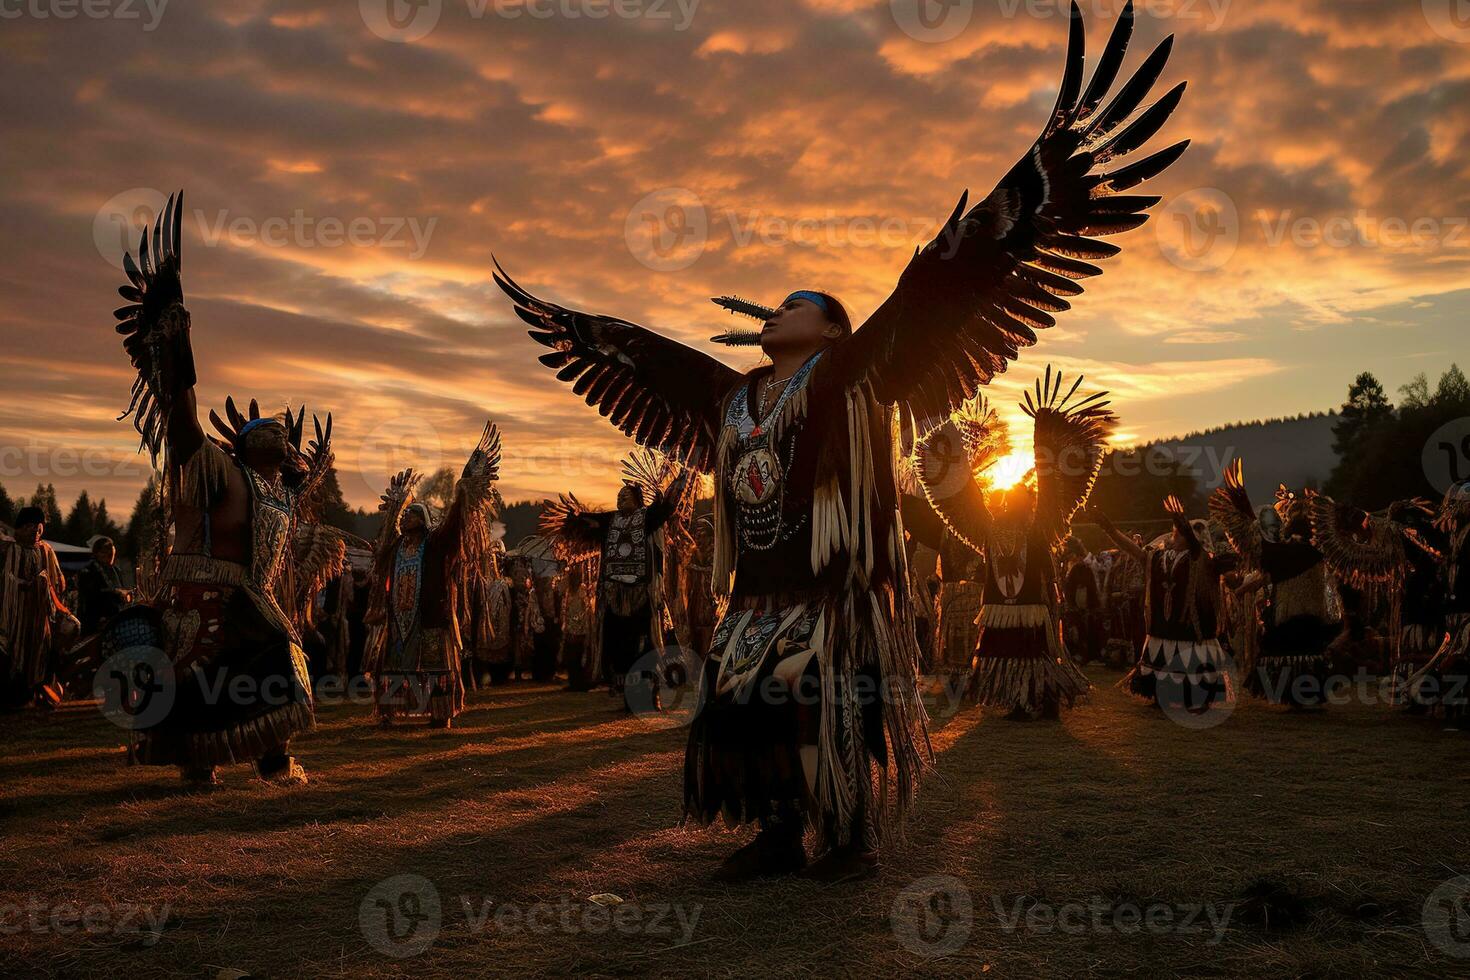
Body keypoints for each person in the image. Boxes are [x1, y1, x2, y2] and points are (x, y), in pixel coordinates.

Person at [496, 0, 1185, 879]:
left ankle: (850, 835)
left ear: (828, 332)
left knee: (830, 701)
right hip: (757, 586)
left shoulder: (860, 373)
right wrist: (588, 331)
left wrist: (1049, 175)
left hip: (833, 583)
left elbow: (977, 258)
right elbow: (624, 358)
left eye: (796, 306)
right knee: (746, 704)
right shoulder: (730, 394)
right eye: (778, 304)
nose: (775, 310)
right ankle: (779, 831)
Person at [107, 192, 332, 786]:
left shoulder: (274, 492)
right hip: (202, 596)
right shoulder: (213, 470)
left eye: (286, 435)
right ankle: (203, 768)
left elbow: (305, 477)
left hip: (246, 596)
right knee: (208, 679)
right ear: (246, 443)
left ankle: (271, 759)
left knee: (270, 663)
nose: (283, 435)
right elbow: (180, 425)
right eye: (271, 430)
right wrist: (171, 337)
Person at [916, 375, 1113, 721]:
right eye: (1004, 498)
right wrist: (947, 444)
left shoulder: (1041, 527)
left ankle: (1045, 699)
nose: (1005, 501)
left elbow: (1051, 476)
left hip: (1033, 605)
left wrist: (1045, 434)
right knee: (1003, 652)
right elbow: (959, 491)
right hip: (997, 606)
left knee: (1033, 652)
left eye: (1011, 498)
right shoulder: (987, 529)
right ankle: (1018, 701)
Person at [363, 426, 502, 730]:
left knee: (435, 666)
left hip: (432, 617)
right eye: (404, 515)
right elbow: (380, 552)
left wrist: (465, 487)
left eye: (411, 513)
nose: (405, 517)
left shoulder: (437, 544)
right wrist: (393, 509)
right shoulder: (397, 546)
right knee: (396, 665)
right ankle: (392, 711)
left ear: (423, 521)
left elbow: (456, 523)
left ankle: (440, 713)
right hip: (399, 617)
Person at [540, 466, 689, 707]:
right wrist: (572, 517)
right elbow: (585, 522)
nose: (620, 498)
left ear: (637, 500)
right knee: (619, 648)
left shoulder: (647, 518)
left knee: (645, 647)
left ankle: (650, 697)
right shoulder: (610, 520)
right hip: (612, 595)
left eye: (625, 495)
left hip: (641, 596)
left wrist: (679, 482)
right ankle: (629, 698)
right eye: (618, 496)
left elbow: (666, 508)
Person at [1210, 463, 1337, 708]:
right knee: (1309, 650)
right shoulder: (1319, 550)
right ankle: (1308, 696)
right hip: (1314, 611)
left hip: (1288, 612)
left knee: (1287, 650)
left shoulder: (1281, 552)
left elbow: (1254, 538)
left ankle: (1295, 696)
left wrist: (1241, 502)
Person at [1093, 496, 1235, 713]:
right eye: (1175, 530)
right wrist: (1109, 529)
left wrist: (1181, 520)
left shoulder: (1202, 559)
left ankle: (1194, 697)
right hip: (1163, 627)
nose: (1175, 534)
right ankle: (1163, 696)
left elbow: (1196, 547)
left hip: (1190, 629)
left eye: (1180, 532)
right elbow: (1135, 551)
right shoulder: (1158, 557)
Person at [1, 507, 78, 708]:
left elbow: (58, 581)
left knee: (42, 651)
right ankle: (14, 696)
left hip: (42, 614)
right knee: (15, 650)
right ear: (19, 528)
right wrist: (25, 586)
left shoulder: (46, 550)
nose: (34, 531)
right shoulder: (11, 550)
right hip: (15, 613)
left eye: (38, 527)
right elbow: (7, 580)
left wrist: (46, 586)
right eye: (29, 526)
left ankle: (38, 691)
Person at [76, 536, 132, 639]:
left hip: (115, 619)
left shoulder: (115, 571)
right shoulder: (88, 571)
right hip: (95, 621)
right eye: (104, 552)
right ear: (97, 553)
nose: (109, 556)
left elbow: (120, 589)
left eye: (111, 553)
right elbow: (91, 596)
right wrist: (116, 592)